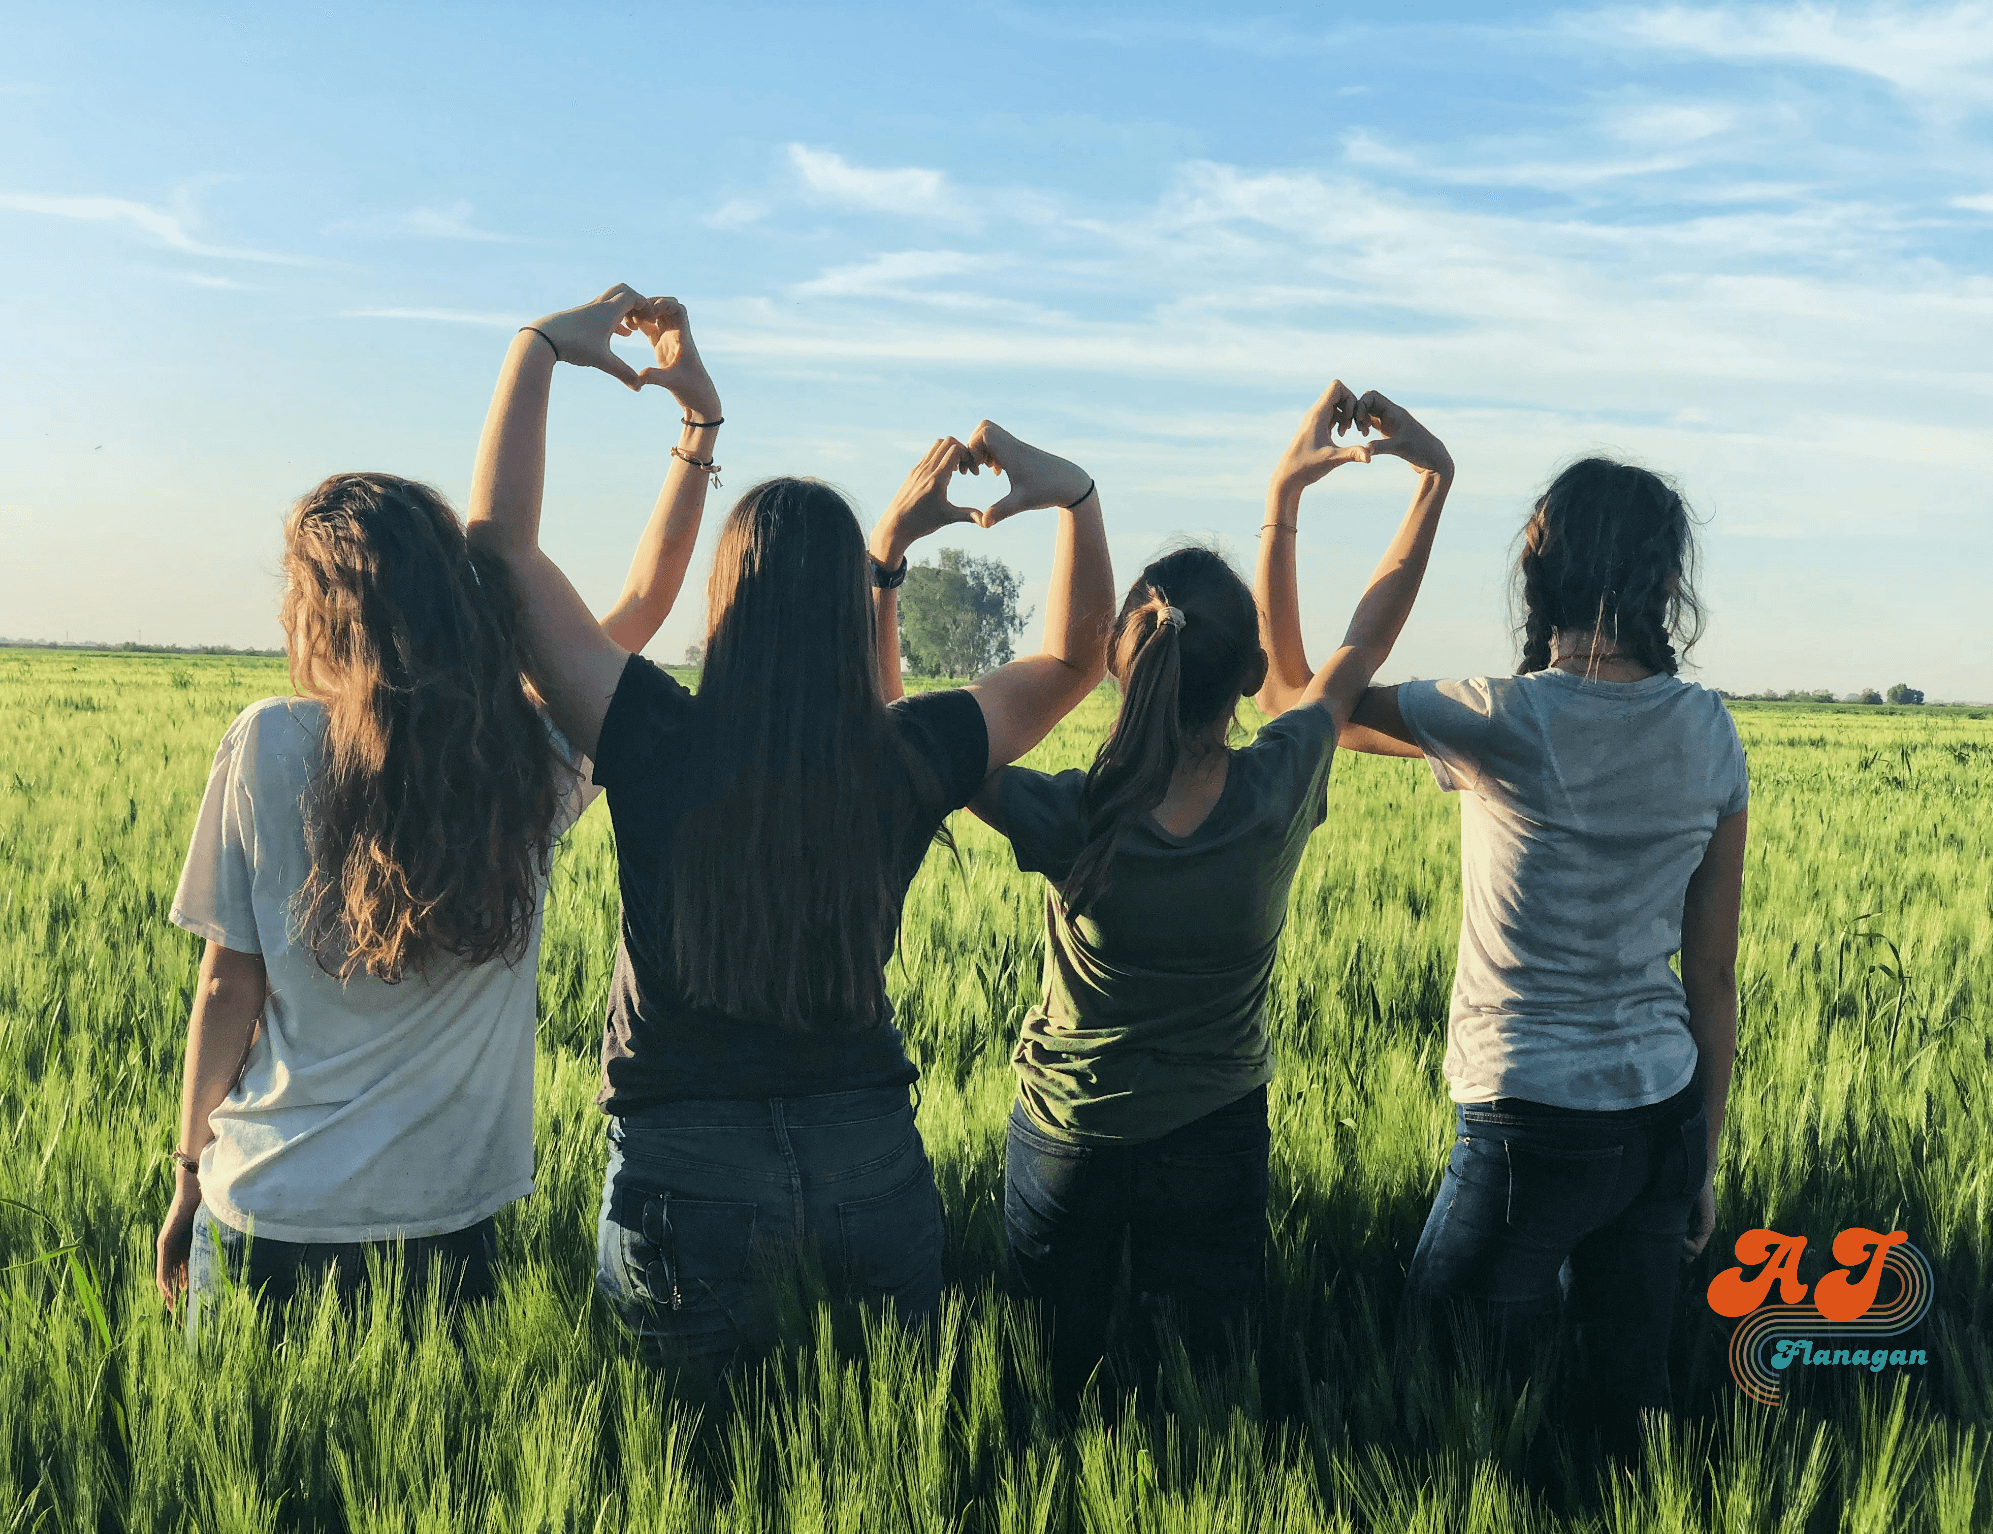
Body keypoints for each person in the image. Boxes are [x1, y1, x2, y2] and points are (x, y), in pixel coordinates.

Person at [464, 284, 1116, 1374]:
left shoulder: (654, 735)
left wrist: (536, 348)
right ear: (839, 613)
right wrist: (1075, 499)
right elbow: (1074, 657)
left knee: (697, 1478)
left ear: (726, 602)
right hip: (870, 1162)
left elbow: (498, 556)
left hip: (683, 1173)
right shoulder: (906, 756)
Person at [155, 297, 717, 1319]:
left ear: (315, 611)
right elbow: (641, 603)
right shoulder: (521, 756)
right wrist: (695, 433)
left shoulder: (267, 743)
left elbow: (223, 989)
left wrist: (190, 1168)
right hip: (448, 1224)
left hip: (267, 1209)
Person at [1256, 435, 1747, 1440]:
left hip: (1526, 1124)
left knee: (1430, 1397)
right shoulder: (1708, 731)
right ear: (1662, 580)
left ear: (1538, 564)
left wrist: (1283, 499)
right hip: (1660, 1115)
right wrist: (1700, 1158)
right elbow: (1711, 978)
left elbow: (1289, 699)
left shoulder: (1497, 717)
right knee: (1629, 1407)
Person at [970, 381, 1453, 1398]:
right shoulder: (1279, 782)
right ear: (1247, 677)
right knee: (1207, 1390)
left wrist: (888, 559)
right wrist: (1420, 483)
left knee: (1047, 1390)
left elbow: (914, 746)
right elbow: (1361, 638)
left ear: (1117, 669)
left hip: (1070, 1135)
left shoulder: (1073, 813)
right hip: (1215, 1134)